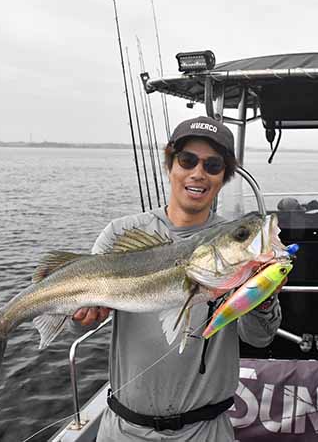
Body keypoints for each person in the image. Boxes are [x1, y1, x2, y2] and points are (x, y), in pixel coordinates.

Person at [73, 116, 282, 442]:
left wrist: (263, 293)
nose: (198, 173)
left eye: (213, 165)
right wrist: (82, 316)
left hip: (207, 430)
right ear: (170, 165)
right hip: (123, 429)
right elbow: (79, 318)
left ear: (223, 177)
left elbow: (259, 338)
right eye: (187, 160)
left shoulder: (237, 248)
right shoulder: (119, 234)